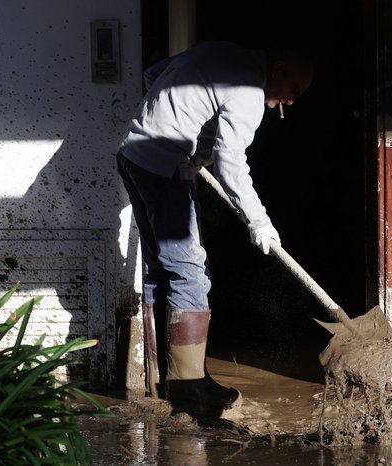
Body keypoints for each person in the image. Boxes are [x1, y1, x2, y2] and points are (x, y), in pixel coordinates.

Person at [116, 41, 314, 415]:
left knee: (162, 269)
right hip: (162, 166)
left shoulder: (220, 53)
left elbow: (153, 75)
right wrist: (260, 221)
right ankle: (190, 390)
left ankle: (160, 381)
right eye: (294, 90)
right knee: (190, 272)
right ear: (280, 66)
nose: (291, 101)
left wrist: (179, 124)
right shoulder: (248, 93)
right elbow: (230, 162)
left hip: (133, 155)